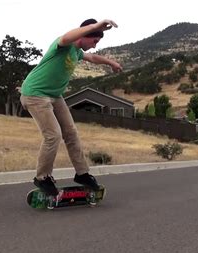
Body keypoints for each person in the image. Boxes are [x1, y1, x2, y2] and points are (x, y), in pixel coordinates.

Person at [20, 19, 123, 198]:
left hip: (54, 95)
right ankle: (42, 177)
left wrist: (110, 63)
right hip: (35, 94)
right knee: (53, 135)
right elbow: (68, 36)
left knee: (71, 133)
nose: (94, 45)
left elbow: (92, 58)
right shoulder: (64, 45)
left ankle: (82, 174)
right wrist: (95, 26)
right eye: (94, 41)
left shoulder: (77, 52)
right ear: (84, 34)